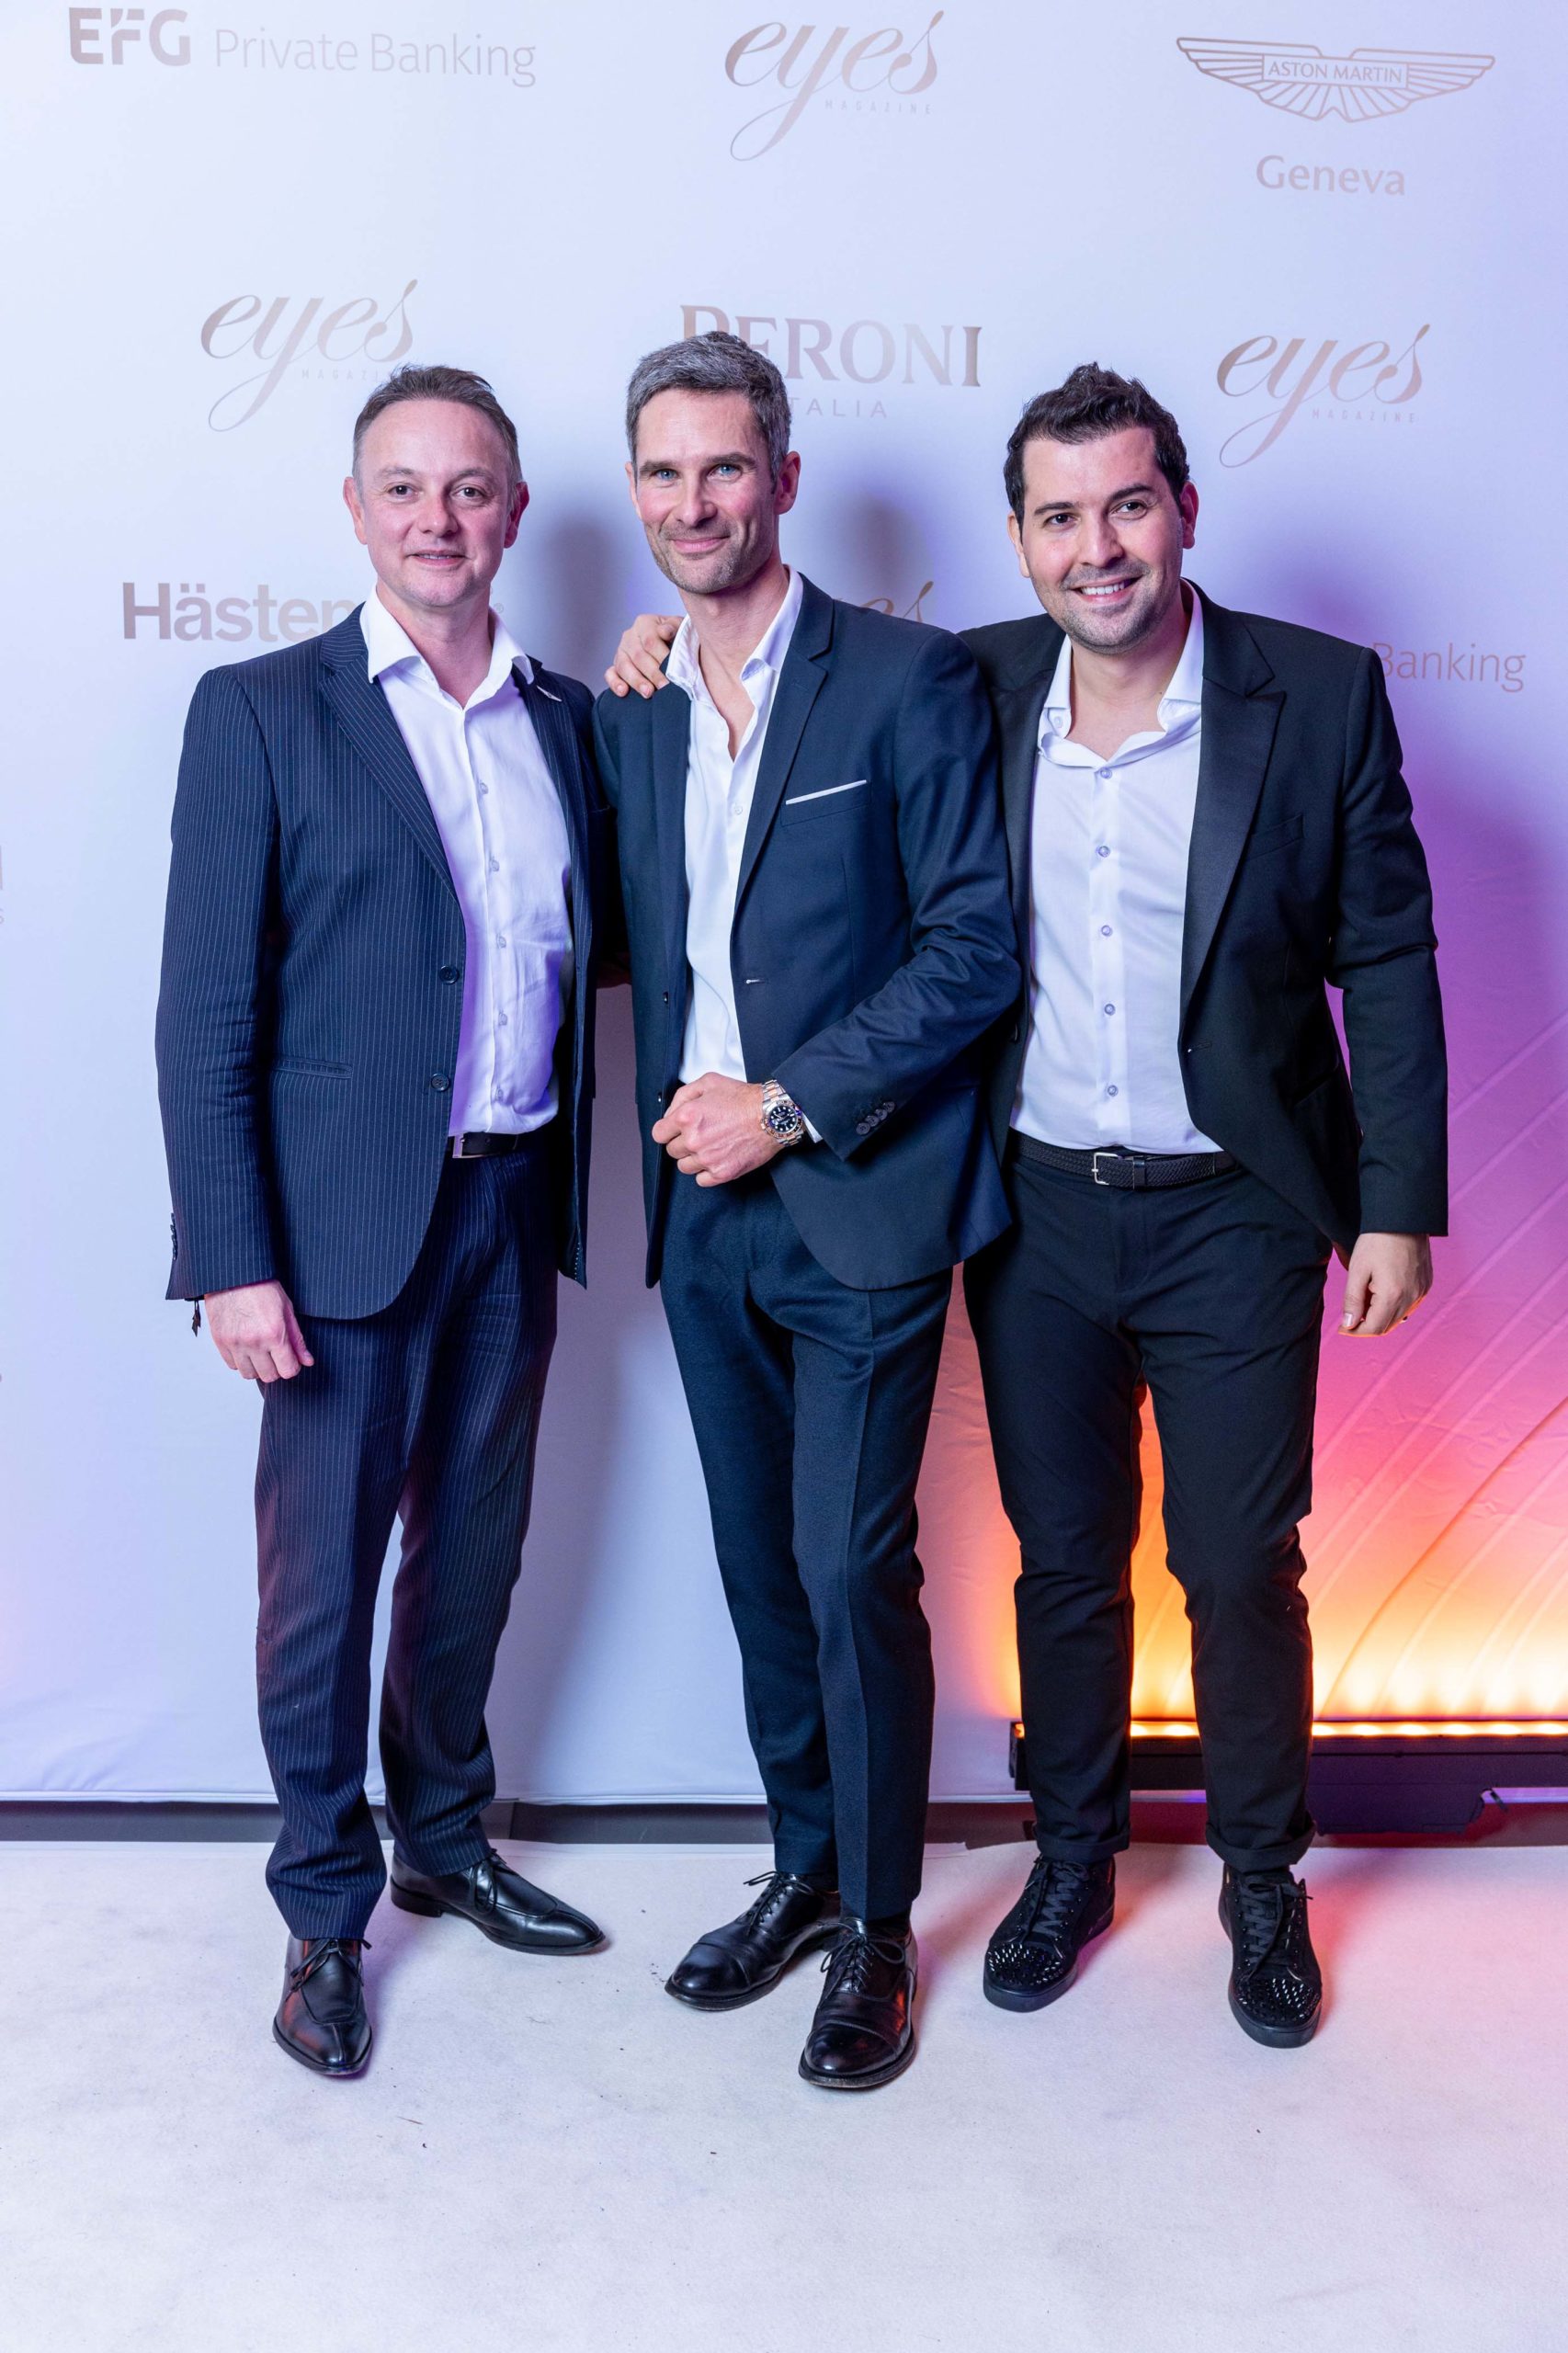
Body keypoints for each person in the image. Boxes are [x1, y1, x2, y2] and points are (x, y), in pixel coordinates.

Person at [607, 361, 1448, 2050]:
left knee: (1235, 1562)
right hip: (1036, 1208)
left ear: (1182, 510)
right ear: (1016, 541)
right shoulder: (967, 683)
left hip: (1238, 1206)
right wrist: (656, 643)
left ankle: (1261, 1884)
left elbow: (1386, 953)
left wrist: (1395, 1203)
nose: (1096, 547)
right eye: (1059, 518)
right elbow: (786, 680)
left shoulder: (1314, 692)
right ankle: (1070, 1865)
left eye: (1126, 506)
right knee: (1062, 1563)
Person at [157, 365, 617, 2077]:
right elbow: (204, 1012)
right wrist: (233, 1258)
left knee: (472, 1553)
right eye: (405, 488)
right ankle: (322, 1911)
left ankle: (443, 1837)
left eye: (470, 488)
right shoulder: (261, 710)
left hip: (512, 1198)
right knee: (322, 1586)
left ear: (512, 513)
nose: (439, 518)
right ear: (356, 512)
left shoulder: (570, 720)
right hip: (335, 1230)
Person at [594, 331, 1017, 2091]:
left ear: (780, 475)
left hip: (854, 1194)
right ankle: (803, 1866)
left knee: (850, 1568)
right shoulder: (627, 704)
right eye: (662, 472)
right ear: (636, 492)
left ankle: (876, 1929)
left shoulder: (907, 679)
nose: (693, 502)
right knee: (762, 1566)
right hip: (699, 1215)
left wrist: (783, 1106)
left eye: (723, 467)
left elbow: (973, 947)